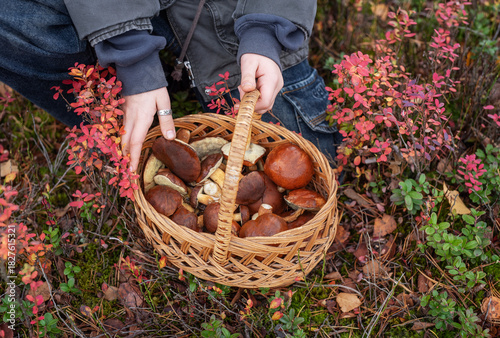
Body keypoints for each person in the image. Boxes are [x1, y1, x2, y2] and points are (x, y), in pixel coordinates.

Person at [0, 0, 341, 172]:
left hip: (228, 27)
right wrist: (131, 53)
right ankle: (121, 124)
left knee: (314, 165)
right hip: (113, 16)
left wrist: (266, 30)